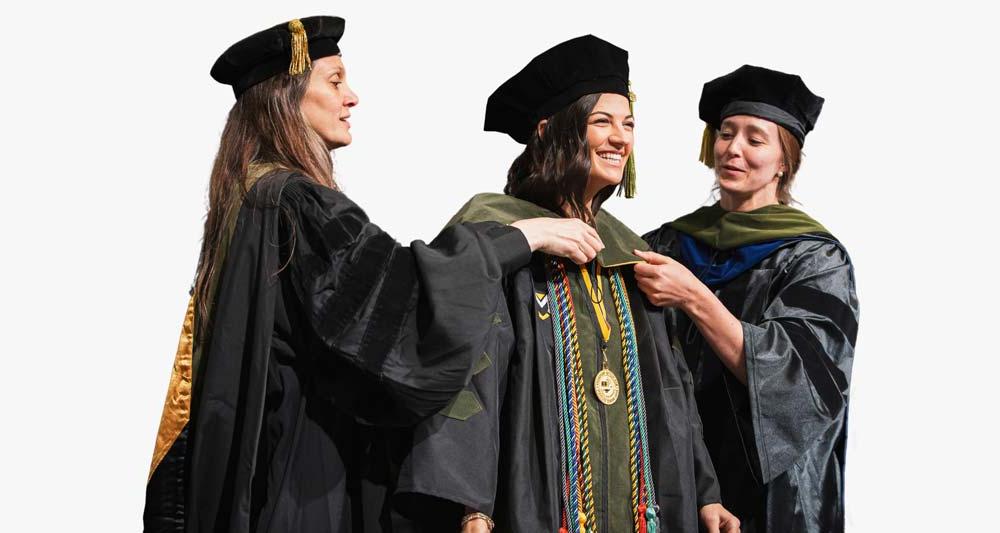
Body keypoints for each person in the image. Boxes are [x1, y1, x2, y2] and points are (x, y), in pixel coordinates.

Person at [142, 16, 603, 533]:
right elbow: (400, 300)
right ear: (286, 97)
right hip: (303, 477)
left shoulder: (246, 200)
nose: (352, 96)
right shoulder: (298, 202)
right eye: (334, 81)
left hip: (261, 470)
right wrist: (522, 238)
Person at [393, 35, 739, 533]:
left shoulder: (631, 253)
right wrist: (471, 506)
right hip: (534, 502)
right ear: (550, 130)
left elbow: (672, 387)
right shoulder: (499, 234)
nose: (621, 138)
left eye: (629, 124)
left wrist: (706, 493)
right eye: (602, 121)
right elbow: (470, 374)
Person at [637, 65, 859, 532]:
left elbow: (799, 386)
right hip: (672, 479)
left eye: (755, 139)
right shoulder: (670, 243)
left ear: (785, 161)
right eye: (725, 133)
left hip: (772, 495)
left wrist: (695, 297)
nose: (732, 148)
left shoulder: (815, 260)